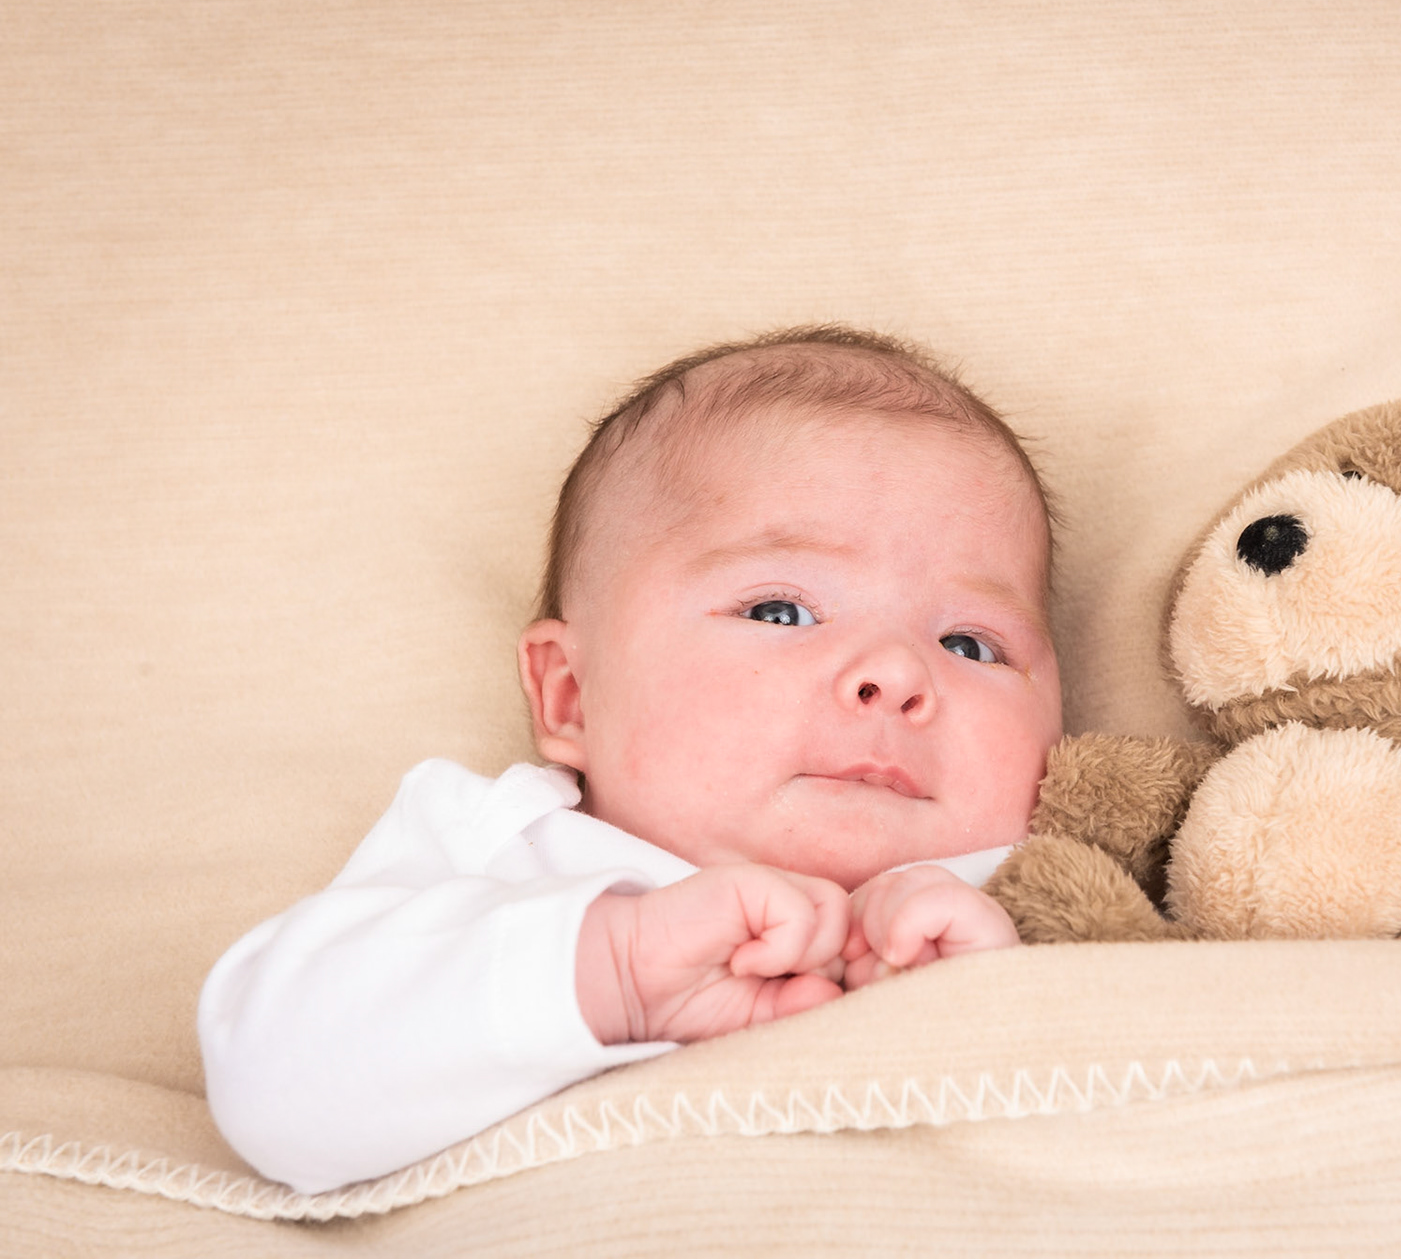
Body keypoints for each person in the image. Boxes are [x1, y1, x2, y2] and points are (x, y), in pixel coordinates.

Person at [198, 327, 1064, 1194]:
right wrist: (608, 971)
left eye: (970, 643)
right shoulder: (505, 851)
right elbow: (272, 1088)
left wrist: (989, 997)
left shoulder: (1036, 889)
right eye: (779, 611)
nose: (897, 672)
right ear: (572, 694)